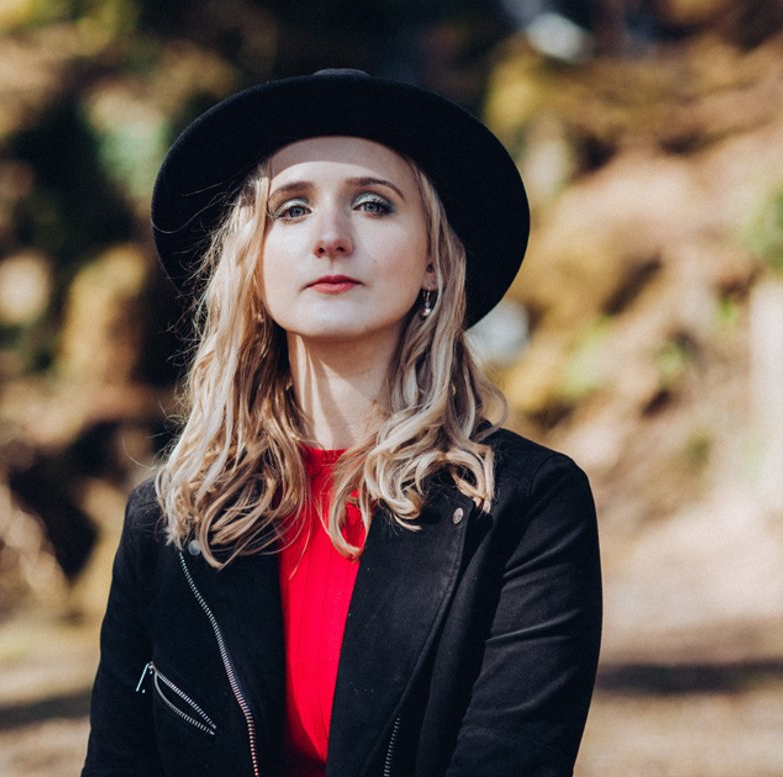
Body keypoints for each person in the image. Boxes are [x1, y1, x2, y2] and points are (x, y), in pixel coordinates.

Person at [81, 69, 601, 777]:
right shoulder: (168, 518)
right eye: (291, 209)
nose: (329, 236)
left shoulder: (526, 506)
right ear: (252, 266)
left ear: (434, 263)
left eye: (373, 204)